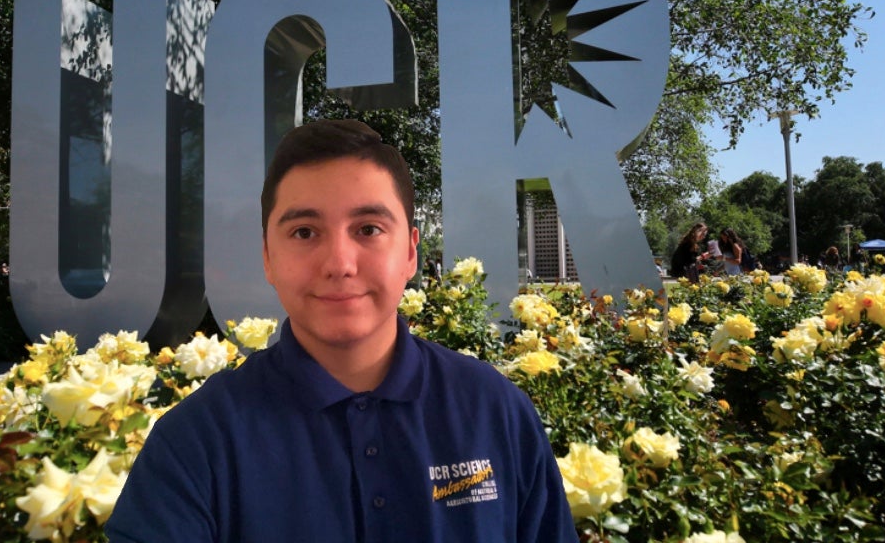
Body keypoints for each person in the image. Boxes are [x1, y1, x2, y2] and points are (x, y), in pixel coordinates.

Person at [106, 120, 578, 543]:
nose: (339, 264)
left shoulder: (495, 412)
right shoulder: (195, 443)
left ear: (410, 253)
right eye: (304, 232)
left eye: (368, 229)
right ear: (268, 257)